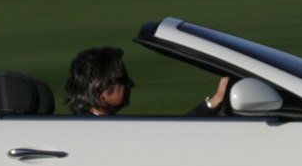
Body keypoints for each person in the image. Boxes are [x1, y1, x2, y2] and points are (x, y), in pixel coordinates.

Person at [65, 46, 231, 116]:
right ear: (99, 91)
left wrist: (214, 102)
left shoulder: (95, 126)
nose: (131, 84)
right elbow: (172, 138)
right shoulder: (99, 132)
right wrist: (212, 103)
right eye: (122, 80)